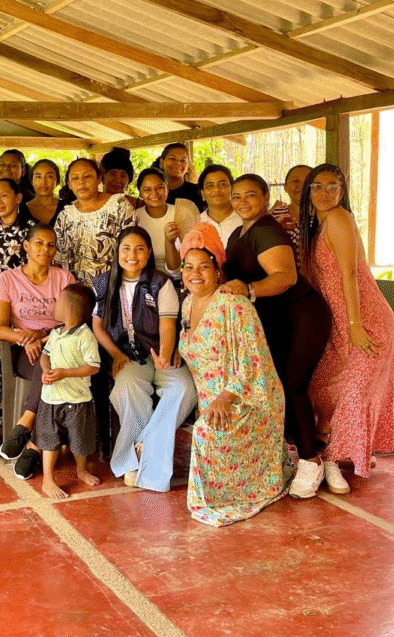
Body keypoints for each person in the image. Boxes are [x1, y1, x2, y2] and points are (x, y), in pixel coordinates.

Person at [223, 173, 332, 500]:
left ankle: (312, 461)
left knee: (292, 386)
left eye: (251, 195)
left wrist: (250, 288)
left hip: (303, 314)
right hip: (278, 320)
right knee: (276, 387)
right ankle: (292, 451)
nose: (243, 202)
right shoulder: (237, 234)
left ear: (266, 199)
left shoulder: (268, 230)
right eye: (237, 196)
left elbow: (284, 276)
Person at [178, 224, 288, 526]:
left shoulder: (234, 304)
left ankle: (234, 494)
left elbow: (254, 364)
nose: (195, 274)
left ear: (217, 269)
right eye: (189, 267)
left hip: (247, 399)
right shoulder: (187, 304)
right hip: (211, 400)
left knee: (204, 433)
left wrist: (225, 398)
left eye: (204, 266)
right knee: (201, 428)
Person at [300, 164, 394, 489]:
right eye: (317, 186)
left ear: (342, 191)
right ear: (307, 192)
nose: (325, 193)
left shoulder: (339, 218)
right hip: (339, 319)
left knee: (352, 388)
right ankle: (335, 455)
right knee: (327, 386)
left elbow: (350, 275)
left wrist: (354, 324)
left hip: (363, 319)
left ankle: (330, 462)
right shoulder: (319, 224)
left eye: (333, 186)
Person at [92, 226, 197, 491]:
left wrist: (165, 352)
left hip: (161, 352)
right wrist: (115, 355)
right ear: (117, 253)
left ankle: (140, 452)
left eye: (140, 248)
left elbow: (167, 322)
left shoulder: (160, 282)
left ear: (149, 252)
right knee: (127, 389)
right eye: (126, 248)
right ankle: (141, 462)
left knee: (184, 389)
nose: (132, 255)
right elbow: (98, 325)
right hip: (128, 358)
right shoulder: (105, 283)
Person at [0, 224, 75, 479]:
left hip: (56, 343)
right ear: (26, 246)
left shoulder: (64, 279)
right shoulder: (8, 279)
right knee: (48, 368)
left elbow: (71, 322)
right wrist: (25, 338)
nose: (45, 249)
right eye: (39, 243)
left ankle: (29, 431)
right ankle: (35, 444)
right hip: (23, 352)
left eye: (51, 244)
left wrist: (41, 336)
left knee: (53, 367)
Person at [35, 284, 102, 499]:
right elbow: (45, 355)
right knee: (49, 439)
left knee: (80, 440)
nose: (55, 304)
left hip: (78, 399)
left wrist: (66, 373)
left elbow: (93, 366)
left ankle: (81, 470)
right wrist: (46, 370)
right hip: (51, 398)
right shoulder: (55, 332)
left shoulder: (85, 336)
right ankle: (48, 479)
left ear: (71, 309)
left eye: (59, 301)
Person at [0, 178, 35, 434]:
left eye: (4, 196)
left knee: (21, 359)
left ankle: (23, 422)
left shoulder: (31, 229)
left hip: (21, 302)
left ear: (18, 198)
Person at [53, 158, 136, 285]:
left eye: (87, 176)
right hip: (76, 291)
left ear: (99, 179)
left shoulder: (119, 206)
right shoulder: (65, 216)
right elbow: (57, 259)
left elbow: (133, 247)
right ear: (69, 184)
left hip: (113, 288)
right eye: (75, 178)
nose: (81, 182)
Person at [135, 167, 186, 275]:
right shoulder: (134, 217)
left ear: (167, 188)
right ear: (140, 193)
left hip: (180, 278)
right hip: (146, 281)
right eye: (147, 190)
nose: (154, 193)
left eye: (159, 187)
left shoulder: (180, 213)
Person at [0, 149, 34, 231]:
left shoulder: (28, 197)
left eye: (13, 165)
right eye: (2, 164)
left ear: (23, 171)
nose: (6, 168)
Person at [271, 164, 312, 262]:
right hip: (286, 274)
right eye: (295, 181)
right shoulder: (274, 216)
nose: (302, 186)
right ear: (285, 187)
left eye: (307, 181)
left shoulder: (324, 215)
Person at [196, 164, 241, 247]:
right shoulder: (195, 223)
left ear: (232, 188)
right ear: (202, 193)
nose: (216, 189)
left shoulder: (244, 219)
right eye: (210, 186)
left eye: (223, 184)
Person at [159, 143, 204, 211]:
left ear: (187, 166)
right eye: (172, 158)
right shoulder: (155, 192)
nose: (178, 162)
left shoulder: (197, 192)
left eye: (183, 160)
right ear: (162, 163)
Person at [26, 159, 66, 226]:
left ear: (57, 181)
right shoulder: (21, 210)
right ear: (32, 181)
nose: (43, 182)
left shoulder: (66, 209)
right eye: (38, 177)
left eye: (49, 176)